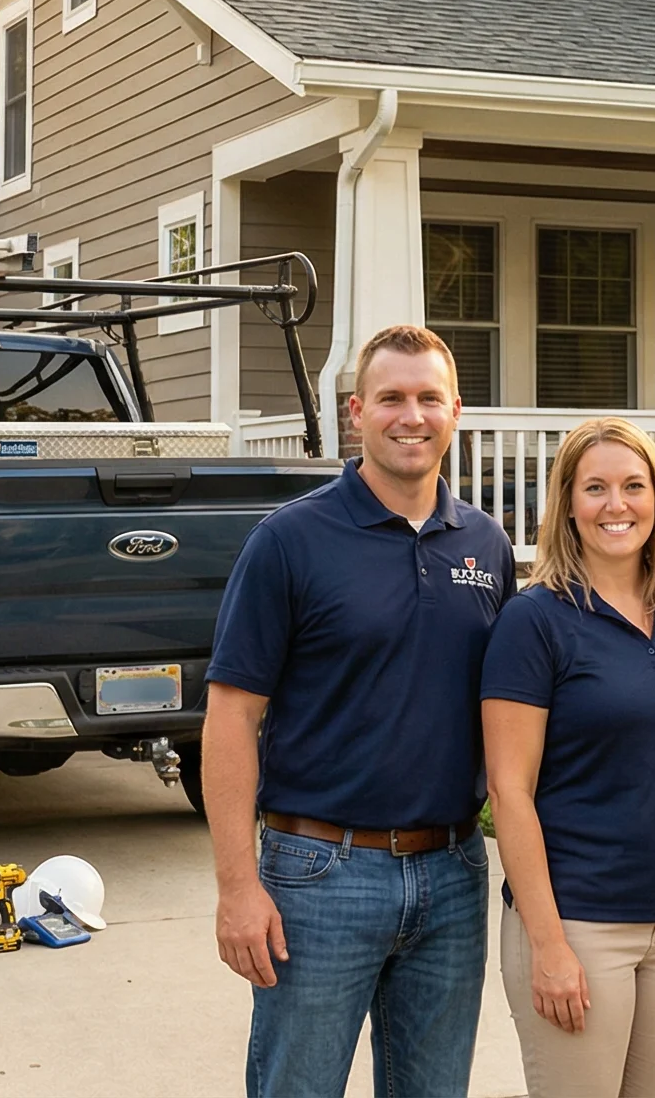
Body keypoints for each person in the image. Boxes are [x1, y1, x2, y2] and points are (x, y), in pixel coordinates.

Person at [201, 325, 516, 1098]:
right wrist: (238, 888)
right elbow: (231, 717)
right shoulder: (291, 540)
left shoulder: (486, 544)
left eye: (429, 399)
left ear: (456, 412)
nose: (412, 416)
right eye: (391, 399)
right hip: (319, 875)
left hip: (452, 871)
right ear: (356, 412)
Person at [482, 417, 655, 1098]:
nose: (616, 505)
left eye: (632, 486)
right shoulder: (534, 621)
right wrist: (549, 945)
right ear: (567, 504)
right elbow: (508, 791)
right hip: (580, 921)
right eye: (595, 488)